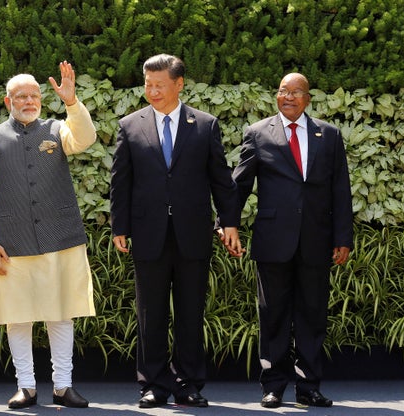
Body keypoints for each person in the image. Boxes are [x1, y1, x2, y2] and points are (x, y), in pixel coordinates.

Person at [109, 54, 242, 409]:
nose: (151, 91)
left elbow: (221, 180)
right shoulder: (130, 125)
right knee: (150, 314)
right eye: (147, 84)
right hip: (148, 233)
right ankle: (152, 384)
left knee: (190, 313)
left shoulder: (205, 124)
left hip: (192, 233)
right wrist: (119, 226)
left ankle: (188, 384)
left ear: (179, 84)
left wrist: (228, 222)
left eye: (159, 85)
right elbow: (121, 180)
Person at [0, 61, 96, 409]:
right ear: (7, 100)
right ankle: (25, 387)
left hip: (60, 236)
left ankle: (63, 386)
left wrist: (72, 103)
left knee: (61, 313)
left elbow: (85, 139)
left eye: (34, 95)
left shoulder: (58, 129)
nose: (29, 101)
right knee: (18, 314)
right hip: (10, 241)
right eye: (21, 96)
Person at [231, 73, 353, 408]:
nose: (289, 96)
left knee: (312, 316)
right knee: (273, 315)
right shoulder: (257, 133)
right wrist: (227, 223)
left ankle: (308, 386)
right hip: (273, 240)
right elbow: (239, 185)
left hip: (317, 238)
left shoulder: (328, 135)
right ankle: (273, 386)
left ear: (308, 98)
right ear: (277, 95)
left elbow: (340, 189)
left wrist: (343, 236)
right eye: (283, 91)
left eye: (296, 92)